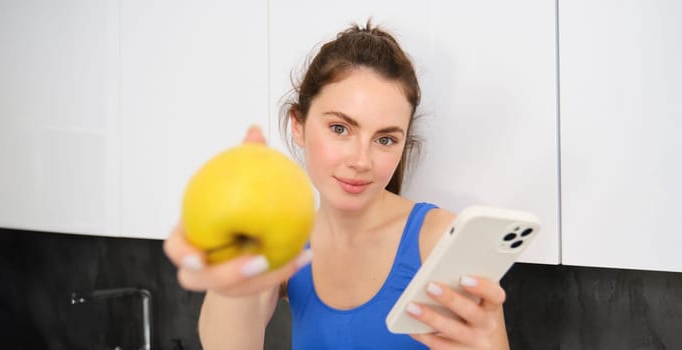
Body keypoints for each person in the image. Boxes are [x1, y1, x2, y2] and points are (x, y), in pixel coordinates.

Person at [164, 21, 510, 349]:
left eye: (385, 139)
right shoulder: (288, 242)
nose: (361, 160)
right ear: (298, 124)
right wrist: (233, 279)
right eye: (340, 129)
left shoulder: (441, 241)